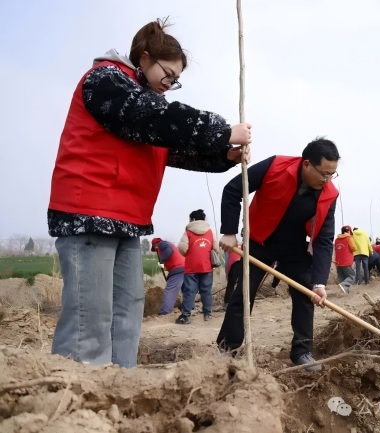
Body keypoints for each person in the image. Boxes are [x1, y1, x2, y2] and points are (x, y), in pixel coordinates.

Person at [47, 19, 252, 368]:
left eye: (175, 80)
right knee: (89, 317)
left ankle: (119, 385)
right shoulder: (107, 81)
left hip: (127, 220)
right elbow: (154, 118)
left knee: (127, 312)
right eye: (168, 75)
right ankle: (78, 394)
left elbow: (174, 149)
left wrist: (224, 156)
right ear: (144, 58)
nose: (169, 85)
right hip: (88, 213)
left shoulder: (146, 105)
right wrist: (221, 130)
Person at [217, 138, 339, 372]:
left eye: (332, 175)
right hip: (259, 240)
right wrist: (229, 232)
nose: (327, 180)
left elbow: (324, 239)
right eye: (324, 174)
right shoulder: (275, 166)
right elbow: (233, 189)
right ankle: (227, 348)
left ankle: (302, 351)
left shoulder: (329, 194)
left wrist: (319, 283)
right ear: (306, 165)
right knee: (243, 293)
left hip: (294, 247)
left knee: (306, 294)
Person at [177, 209, 219, 323]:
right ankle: (207, 314)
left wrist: (188, 254)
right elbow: (216, 248)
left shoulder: (188, 232)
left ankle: (186, 315)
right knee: (206, 291)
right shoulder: (210, 232)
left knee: (189, 291)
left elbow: (182, 248)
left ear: (193, 219)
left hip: (191, 267)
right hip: (206, 267)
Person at [151, 238, 185, 315]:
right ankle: (187, 307)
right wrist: (164, 265)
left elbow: (168, 250)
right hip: (185, 268)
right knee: (185, 289)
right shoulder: (169, 244)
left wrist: (161, 260)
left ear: (155, 245)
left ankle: (165, 312)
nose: (156, 251)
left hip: (178, 268)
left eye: (155, 249)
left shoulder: (162, 244)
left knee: (170, 291)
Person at [334, 226, 356, 294]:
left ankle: (344, 293)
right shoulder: (349, 238)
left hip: (338, 262)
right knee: (352, 276)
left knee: (342, 278)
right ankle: (343, 286)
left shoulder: (336, 239)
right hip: (346, 262)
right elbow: (354, 248)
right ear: (349, 231)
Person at [223, 244, 242, 311]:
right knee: (241, 284)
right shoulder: (242, 246)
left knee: (231, 285)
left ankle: (227, 303)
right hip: (241, 264)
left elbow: (227, 263)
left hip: (233, 265)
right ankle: (239, 302)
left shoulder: (230, 247)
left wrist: (227, 275)